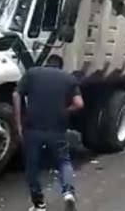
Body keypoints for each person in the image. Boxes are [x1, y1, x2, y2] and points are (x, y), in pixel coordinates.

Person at [13, 55, 85, 211]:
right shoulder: (68, 78)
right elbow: (79, 104)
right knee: (63, 161)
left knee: (32, 166)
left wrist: (18, 123)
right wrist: (65, 111)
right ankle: (68, 193)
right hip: (57, 127)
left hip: (33, 127)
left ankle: (39, 204)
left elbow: (16, 94)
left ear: (46, 64)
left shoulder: (32, 73)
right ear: (60, 66)